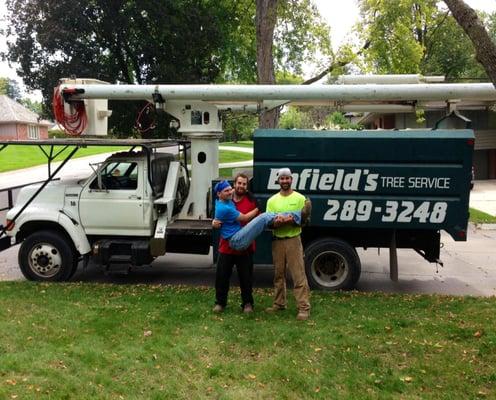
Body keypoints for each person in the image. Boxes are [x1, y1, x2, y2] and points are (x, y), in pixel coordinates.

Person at [265, 167, 311, 321]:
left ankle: (303, 308)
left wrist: (292, 220)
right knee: (278, 275)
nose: (285, 181)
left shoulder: (300, 198)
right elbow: (268, 223)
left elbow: (305, 221)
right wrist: (275, 223)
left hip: (293, 241)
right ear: (278, 180)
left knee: (298, 275)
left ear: (292, 179)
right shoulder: (272, 201)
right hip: (277, 241)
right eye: (282, 178)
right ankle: (279, 304)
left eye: (287, 178)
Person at [212, 174, 259, 314]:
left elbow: (255, 222)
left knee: (246, 278)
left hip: (245, 247)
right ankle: (220, 303)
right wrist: (213, 223)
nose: (241, 186)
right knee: (222, 277)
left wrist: (258, 208)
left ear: (246, 187)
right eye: (239, 183)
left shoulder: (251, 201)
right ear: (234, 184)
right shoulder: (226, 198)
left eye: (244, 184)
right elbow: (215, 216)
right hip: (226, 247)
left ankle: (247, 303)